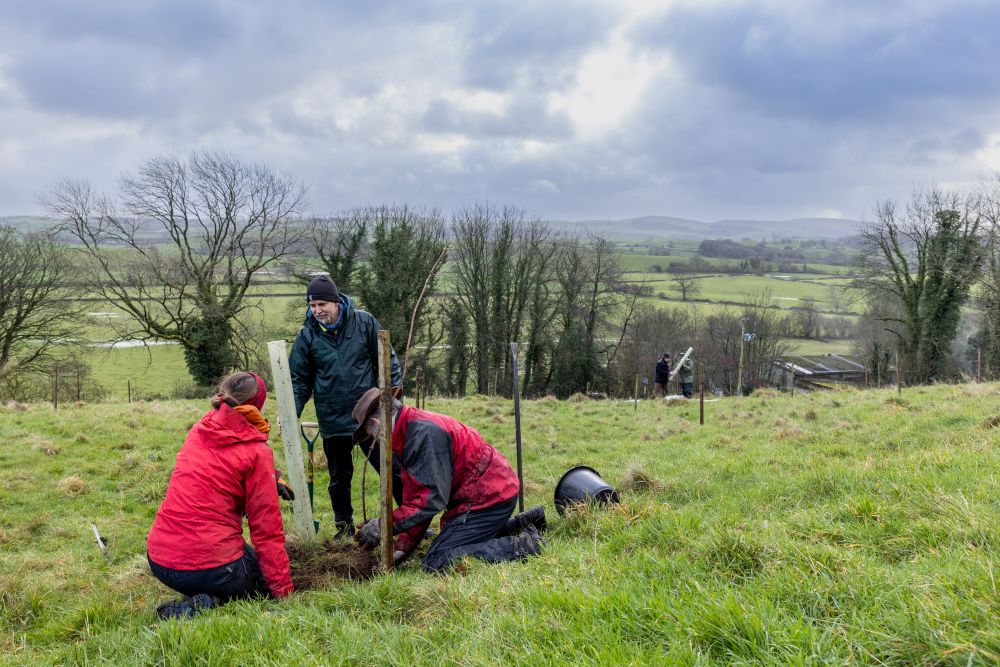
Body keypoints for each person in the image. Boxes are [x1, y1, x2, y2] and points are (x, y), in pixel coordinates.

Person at [146, 372, 294, 619]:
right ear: (257, 406)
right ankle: (206, 602)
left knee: (246, 560)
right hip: (205, 566)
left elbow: (225, 462)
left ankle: (203, 593)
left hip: (160, 561)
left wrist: (271, 474)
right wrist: (283, 591)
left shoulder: (200, 430)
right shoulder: (257, 452)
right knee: (259, 578)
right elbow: (266, 531)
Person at [351, 387, 546, 572]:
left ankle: (524, 545)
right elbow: (419, 499)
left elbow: (430, 500)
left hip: (489, 497)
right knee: (452, 539)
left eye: (371, 435)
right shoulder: (410, 431)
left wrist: (383, 525)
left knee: (438, 559)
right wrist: (402, 549)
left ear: (377, 424)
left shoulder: (422, 435)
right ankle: (525, 521)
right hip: (488, 492)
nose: (374, 441)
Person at [289, 275, 402, 539]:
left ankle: (409, 517)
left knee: (391, 468)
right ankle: (344, 526)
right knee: (339, 477)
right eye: (313, 305)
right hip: (333, 417)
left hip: (369, 415)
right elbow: (299, 380)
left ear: (336, 302)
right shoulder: (308, 336)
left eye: (322, 304)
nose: (317, 311)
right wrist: (291, 410)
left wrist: (394, 402)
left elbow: (388, 362)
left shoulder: (364, 323)